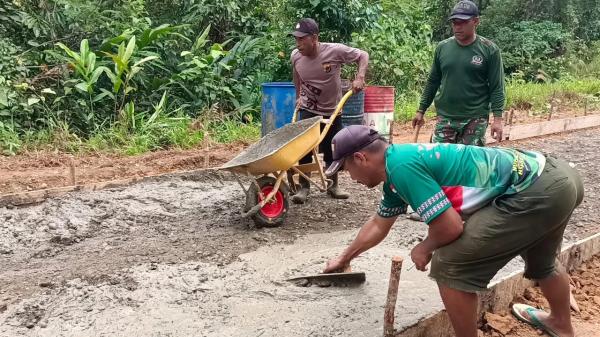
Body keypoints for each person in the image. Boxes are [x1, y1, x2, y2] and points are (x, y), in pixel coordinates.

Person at [323, 125, 583, 337]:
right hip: (556, 178)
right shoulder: (397, 168)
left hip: (538, 192)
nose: (351, 177)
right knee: (541, 259)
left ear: (360, 158)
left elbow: (449, 226)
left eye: (346, 170)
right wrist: (345, 258)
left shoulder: (401, 168)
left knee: (449, 262)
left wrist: (423, 248)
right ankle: (560, 323)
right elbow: (378, 224)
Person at [290, 18, 369, 204]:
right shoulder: (295, 56)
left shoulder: (334, 51)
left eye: (302, 39)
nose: (298, 44)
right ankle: (304, 187)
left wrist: (360, 77)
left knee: (332, 148)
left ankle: (333, 185)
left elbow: (363, 55)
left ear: (314, 38)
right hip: (309, 108)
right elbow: (296, 76)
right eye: (296, 39)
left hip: (332, 109)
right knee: (304, 148)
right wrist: (298, 96)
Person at [412, 0, 505, 146]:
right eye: (454, 22)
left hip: (475, 118)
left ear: (476, 21)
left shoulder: (490, 50)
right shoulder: (443, 48)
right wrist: (421, 110)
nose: (457, 26)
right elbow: (433, 81)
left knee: (468, 162)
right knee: (441, 159)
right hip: (445, 117)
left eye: (463, 22)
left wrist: (498, 119)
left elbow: (497, 86)